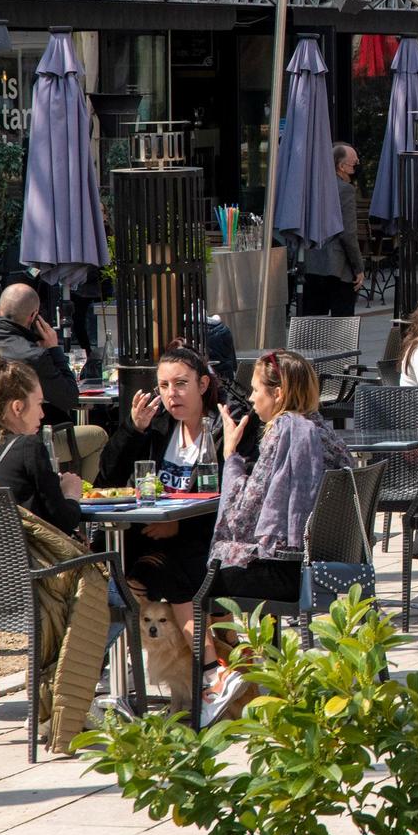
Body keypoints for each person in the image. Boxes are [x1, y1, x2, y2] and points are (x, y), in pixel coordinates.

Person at [197, 349, 355, 723]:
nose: (251, 399)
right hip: (329, 566)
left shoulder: (283, 432)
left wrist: (232, 458)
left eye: (256, 390)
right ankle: (255, 679)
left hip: (288, 571)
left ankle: (217, 682)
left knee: (193, 579)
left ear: (279, 393)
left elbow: (243, 516)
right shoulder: (322, 430)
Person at [103, 342, 242, 638]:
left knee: (149, 576)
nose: (171, 394)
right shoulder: (158, 425)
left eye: (180, 384)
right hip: (145, 535)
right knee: (105, 566)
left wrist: (179, 525)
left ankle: (208, 664)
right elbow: (109, 475)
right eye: (164, 385)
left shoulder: (222, 427)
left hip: (200, 539)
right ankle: (217, 660)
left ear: (203, 384)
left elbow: (234, 499)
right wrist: (132, 429)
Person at [0, 282, 106, 476]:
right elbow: (69, 397)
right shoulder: (31, 356)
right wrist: (53, 349)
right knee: (97, 435)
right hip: (21, 443)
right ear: (34, 317)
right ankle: (75, 497)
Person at [0, 351, 82, 534]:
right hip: (27, 561)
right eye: (39, 404)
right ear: (18, 407)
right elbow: (63, 521)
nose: (42, 414)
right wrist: (71, 494)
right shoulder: (29, 447)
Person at [300, 143, 364, 317]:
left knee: (312, 323)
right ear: (341, 167)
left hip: (311, 261)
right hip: (337, 267)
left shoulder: (313, 186)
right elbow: (348, 233)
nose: (357, 167)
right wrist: (359, 267)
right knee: (342, 328)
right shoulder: (346, 190)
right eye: (354, 163)